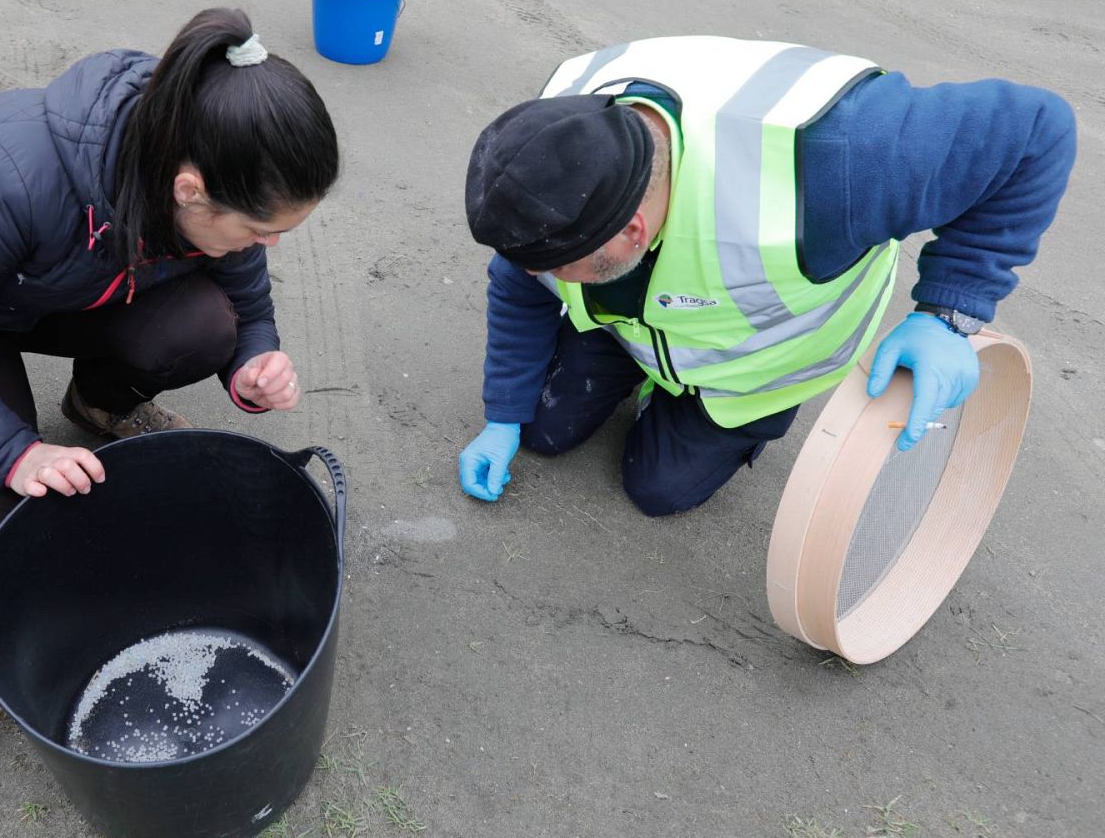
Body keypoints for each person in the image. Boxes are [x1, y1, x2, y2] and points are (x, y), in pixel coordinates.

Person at [457, 36, 1075, 514]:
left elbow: (1034, 131)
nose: (541, 275)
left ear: (633, 233)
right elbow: (517, 281)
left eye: (560, 267)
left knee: (658, 490)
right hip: (640, 322)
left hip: (755, 366)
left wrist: (949, 314)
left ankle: (709, 414)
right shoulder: (561, 131)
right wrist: (502, 416)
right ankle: (631, 359)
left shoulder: (843, 161)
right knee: (541, 429)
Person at [0, 8, 339, 550]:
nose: (268, 244)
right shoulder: (0, 180)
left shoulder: (218, 161)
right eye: (260, 229)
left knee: (206, 326)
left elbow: (246, 304)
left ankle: (98, 401)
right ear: (189, 190)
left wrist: (253, 360)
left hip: (60, 289)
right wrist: (18, 454)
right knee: (1, 514)